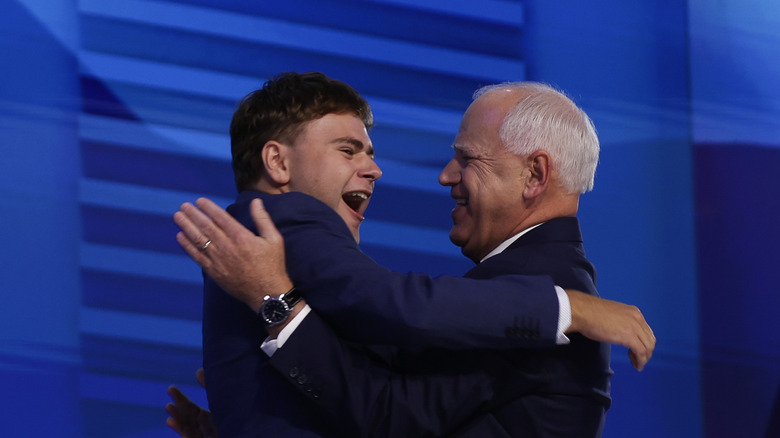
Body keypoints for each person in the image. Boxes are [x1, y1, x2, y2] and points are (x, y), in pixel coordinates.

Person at [171, 73, 655, 437]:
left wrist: (564, 308)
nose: (445, 175)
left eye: (467, 159)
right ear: (277, 162)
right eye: (348, 150)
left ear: (534, 175)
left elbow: (386, 407)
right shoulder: (286, 219)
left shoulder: (535, 296)